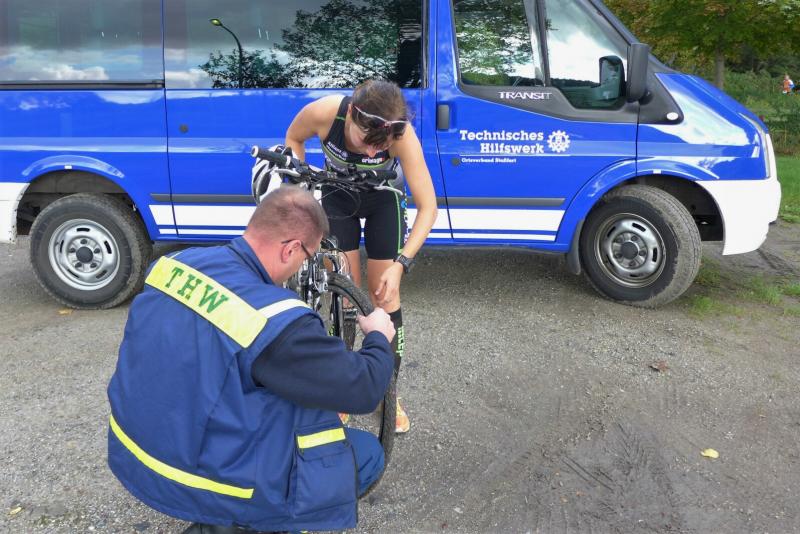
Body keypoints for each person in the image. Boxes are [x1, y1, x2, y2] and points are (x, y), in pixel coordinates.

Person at [106, 186, 396, 534]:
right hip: (184, 477)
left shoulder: (174, 265)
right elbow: (364, 388)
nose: (304, 265)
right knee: (366, 454)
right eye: (308, 256)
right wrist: (378, 336)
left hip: (133, 451)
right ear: (290, 249)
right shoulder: (274, 319)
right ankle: (245, 523)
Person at [284, 79, 438, 433]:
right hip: (338, 198)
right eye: (365, 141)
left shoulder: (402, 135)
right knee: (346, 295)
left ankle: (387, 391)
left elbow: (428, 208)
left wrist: (401, 264)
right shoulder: (325, 113)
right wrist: (300, 189)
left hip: (383, 200)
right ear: (352, 113)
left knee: (385, 295)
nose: (370, 153)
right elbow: (293, 138)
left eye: (379, 147)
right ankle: (344, 388)